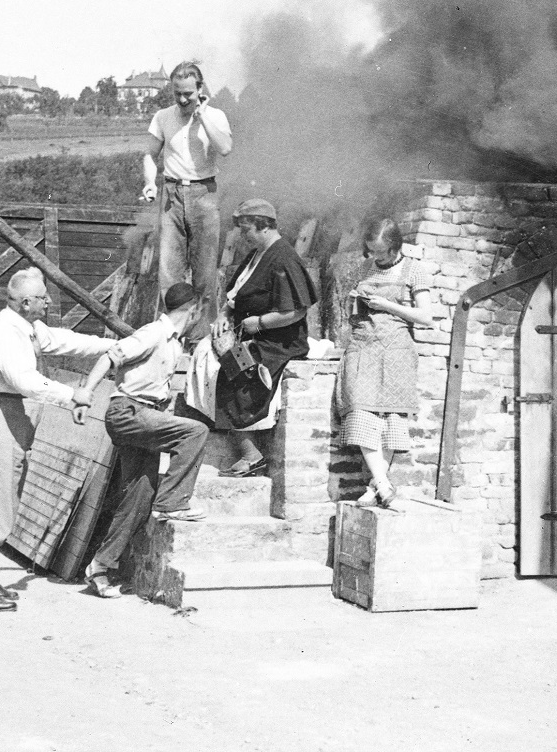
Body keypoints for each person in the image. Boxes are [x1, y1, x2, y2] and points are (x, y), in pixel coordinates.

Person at [0, 266, 118, 613]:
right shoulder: (4, 332)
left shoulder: (24, 326)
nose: (48, 302)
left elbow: (65, 340)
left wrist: (117, 346)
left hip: (1, 413)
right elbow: (25, 381)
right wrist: (72, 394)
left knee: (1, 497)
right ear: (26, 302)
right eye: (43, 297)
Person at [74, 282, 209, 599]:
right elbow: (110, 356)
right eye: (200, 310)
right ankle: (173, 503)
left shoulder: (175, 342)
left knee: (139, 497)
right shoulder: (152, 333)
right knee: (195, 431)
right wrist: (85, 394)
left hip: (144, 415)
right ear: (192, 309)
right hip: (128, 413)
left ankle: (100, 567)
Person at [212, 199, 319, 477]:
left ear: (263, 227)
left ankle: (252, 455)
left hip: (279, 342)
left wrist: (258, 323)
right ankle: (249, 452)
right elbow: (234, 297)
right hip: (248, 334)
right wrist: (224, 315)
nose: (243, 237)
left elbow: (296, 310)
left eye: (246, 230)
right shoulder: (256, 254)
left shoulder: (283, 257)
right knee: (210, 361)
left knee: (237, 373)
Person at [335, 218, 433, 507]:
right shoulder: (366, 267)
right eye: (371, 251)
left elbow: (426, 317)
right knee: (360, 412)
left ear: (395, 246)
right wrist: (357, 299)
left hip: (395, 349)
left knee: (390, 418)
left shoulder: (415, 270)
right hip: (364, 346)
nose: (375, 257)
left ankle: (375, 485)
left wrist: (387, 304)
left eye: (381, 252)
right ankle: (384, 485)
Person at [142, 61, 233, 338]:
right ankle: (172, 340)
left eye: (188, 94)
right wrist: (149, 183)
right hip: (171, 197)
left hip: (204, 195)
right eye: (177, 94)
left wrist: (201, 116)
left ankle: (201, 340)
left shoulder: (215, 116)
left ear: (200, 90)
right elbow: (149, 154)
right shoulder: (162, 117)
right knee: (169, 274)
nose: (182, 100)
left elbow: (226, 148)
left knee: (205, 275)